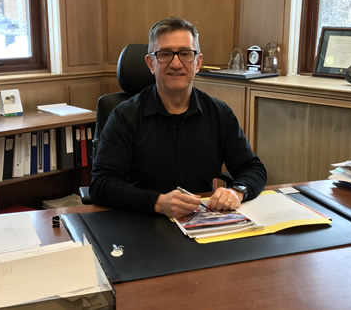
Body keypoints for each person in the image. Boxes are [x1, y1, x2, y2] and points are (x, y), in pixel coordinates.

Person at [90, 16, 267, 218]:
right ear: (151, 63)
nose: (176, 63)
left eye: (185, 53)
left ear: (198, 62)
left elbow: (253, 168)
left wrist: (237, 191)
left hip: (202, 222)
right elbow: (101, 184)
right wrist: (157, 202)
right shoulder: (124, 116)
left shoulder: (219, 113)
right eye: (165, 54)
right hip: (141, 221)